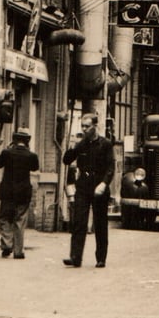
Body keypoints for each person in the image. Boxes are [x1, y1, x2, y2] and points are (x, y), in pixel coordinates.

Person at [62, 112, 115, 268]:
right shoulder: (82, 144)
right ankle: (75, 257)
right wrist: (71, 146)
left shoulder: (105, 144)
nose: (84, 129)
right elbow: (67, 160)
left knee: (100, 223)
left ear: (95, 126)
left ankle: (101, 258)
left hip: (99, 185)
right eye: (82, 126)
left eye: (87, 126)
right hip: (83, 186)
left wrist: (104, 183)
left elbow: (111, 167)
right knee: (79, 222)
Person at [0, 127, 40, 259]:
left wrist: (7, 149)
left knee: (5, 218)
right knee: (20, 220)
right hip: (23, 193)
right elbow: (35, 167)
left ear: (14, 139)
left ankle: (7, 245)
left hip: (7, 192)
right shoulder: (31, 156)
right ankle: (19, 251)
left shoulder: (7, 153)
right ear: (27, 141)